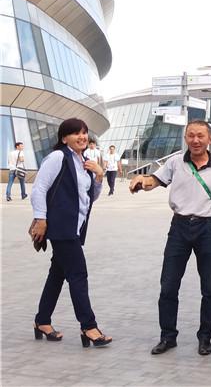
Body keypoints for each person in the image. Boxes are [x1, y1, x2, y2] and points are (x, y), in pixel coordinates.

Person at [128, 120, 211, 356]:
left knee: (210, 287)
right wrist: (141, 181)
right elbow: (154, 181)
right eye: (191, 136)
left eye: (200, 136)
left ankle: (205, 338)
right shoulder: (175, 162)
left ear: (210, 139)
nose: (195, 140)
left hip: (207, 229)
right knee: (168, 285)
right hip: (179, 228)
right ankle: (168, 337)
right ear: (186, 138)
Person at [29, 118, 111, 348]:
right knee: (78, 274)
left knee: (57, 274)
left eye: (84, 133)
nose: (82, 137)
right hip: (60, 226)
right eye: (76, 133)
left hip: (74, 227)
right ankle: (89, 327)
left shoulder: (84, 161)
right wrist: (41, 219)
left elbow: (89, 197)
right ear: (64, 138)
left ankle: (42, 321)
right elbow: (39, 188)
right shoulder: (58, 157)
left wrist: (98, 176)